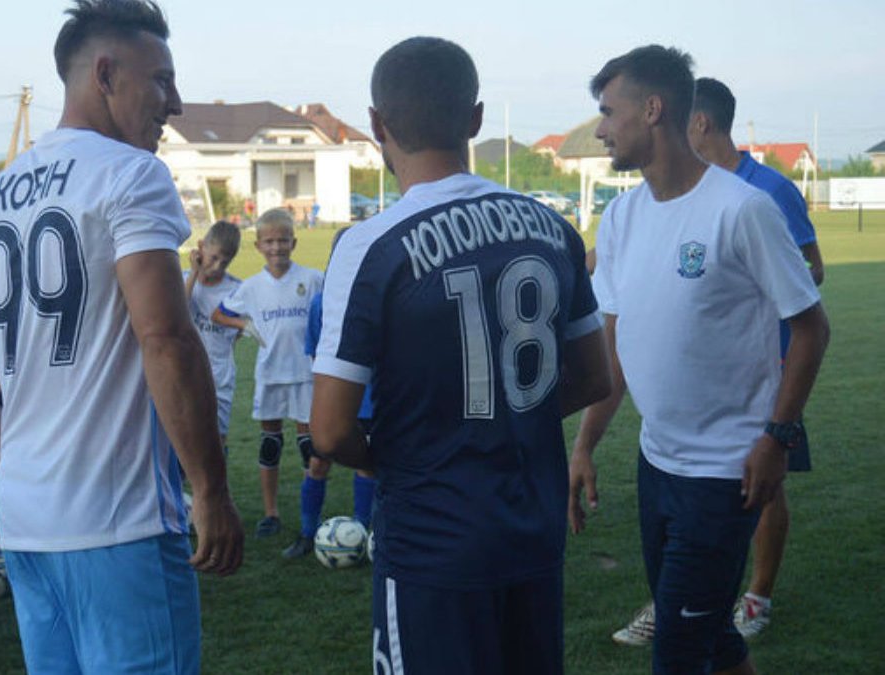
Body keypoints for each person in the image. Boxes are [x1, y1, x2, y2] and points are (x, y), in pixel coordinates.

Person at [0, 1, 243, 671]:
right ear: (105, 74)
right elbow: (166, 338)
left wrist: (2, 445)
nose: (175, 103)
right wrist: (209, 487)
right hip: (118, 520)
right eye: (161, 81)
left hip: (27, 520)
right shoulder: (131, 173)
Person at [310, 37, 611, 674]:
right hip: (532, 527)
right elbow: (593, 377)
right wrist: (504, 419)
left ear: (377, 125)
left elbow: (330, 431)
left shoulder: (370, 246)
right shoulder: (553, 229)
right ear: (475, 118)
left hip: (432, 538)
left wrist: (402, 453)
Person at [570, 45, 829, 674]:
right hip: (657, 462)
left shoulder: (742, 210)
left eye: (608, 112)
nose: (600, 129)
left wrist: (776, 438)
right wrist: (584, 446)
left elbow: (811, 328)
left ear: (652, 110)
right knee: (713, 636)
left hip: (724, 471)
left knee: (679, 652)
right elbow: (616, 344)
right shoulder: (622, 216)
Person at [213, 207, 324, 541]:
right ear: (259, 245)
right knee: (270, 443)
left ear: (294, 242)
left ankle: (309, 515)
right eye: (270, 241)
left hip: (304, 373)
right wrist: (243, 325)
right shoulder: (251, 287)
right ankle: (270, 513)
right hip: (270, 373)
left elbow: (331, 310)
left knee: (308, 446)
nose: (277, 247)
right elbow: (219, 314)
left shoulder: (312, 279)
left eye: (283, 240)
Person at [295, 226, 376, 557]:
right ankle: (306, 533)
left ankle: (361, 533)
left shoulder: (377, 297)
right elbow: (316, 356)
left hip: (371, 402)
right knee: (317, 464)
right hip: (332, 401)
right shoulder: (320, 302)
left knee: (367, 465)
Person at [184, 220, 243, 456]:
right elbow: (177, 311)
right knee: (183, 441)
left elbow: (240, 332)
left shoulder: (237, 289)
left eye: (225, 262)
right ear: (201, 247)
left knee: (216, 443)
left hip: (219, 376)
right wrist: (194, 273)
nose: (217, 266)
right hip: (185, 372)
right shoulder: (182, 279)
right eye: (213, 258)